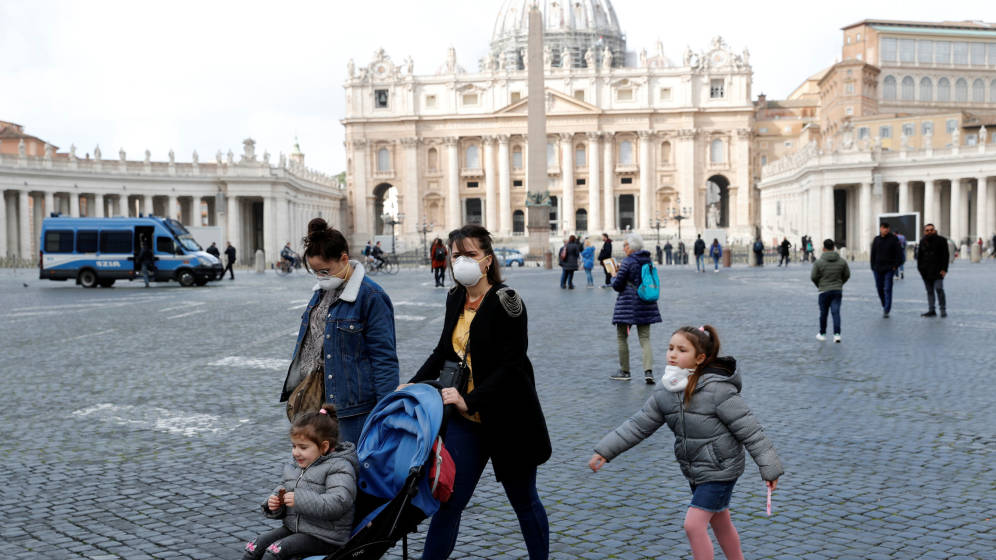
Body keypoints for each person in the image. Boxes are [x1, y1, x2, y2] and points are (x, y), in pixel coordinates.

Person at [402, 224, 551, 560]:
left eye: (469, 254)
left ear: (487, 259)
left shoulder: (506, 300)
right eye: (456, 255)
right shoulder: (456, 296)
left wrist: (470, 398)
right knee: (449, 501)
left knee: (524, 501)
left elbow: (512, 367)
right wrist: (411, 384)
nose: (461, 261)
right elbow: (444, 352)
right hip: (467, 422)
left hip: (509, 418)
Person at [589, 325, 783, 560]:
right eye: (670, 348)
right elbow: (639, 425)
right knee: (720, 520)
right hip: (695, 469)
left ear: (699, 358)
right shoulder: (666, 389)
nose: (672, 354)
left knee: (693, 525)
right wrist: (606, 450)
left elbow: (750, 430)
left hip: (721, 470)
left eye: (681, 350)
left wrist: (770, 467)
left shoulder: (717, 390)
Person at [280, 218, 400, 444]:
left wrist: (386, 412)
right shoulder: (322, 292)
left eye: (325, 270)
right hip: (315, 403)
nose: (321, 278)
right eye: (316, 272)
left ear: (344, 259)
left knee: (350, 472)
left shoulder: (371, 297)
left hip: (354, 409)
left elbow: (384, 359)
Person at [242, 407, 357, 560]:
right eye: (294, 446)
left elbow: (338, 503)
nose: (295, 452)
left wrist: (299, 499)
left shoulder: (339, 467)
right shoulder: (296, 465)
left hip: (325, 536)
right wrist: (275, 504)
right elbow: (284, 488)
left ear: (324, 447)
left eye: (303, 447)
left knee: (275, 552)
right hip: (294, 528)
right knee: (254, 547)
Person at [609, 233, 662, 384]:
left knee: (622, 337)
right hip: (645, 303)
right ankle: (648, 371)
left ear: (631, 247)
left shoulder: (627, 262)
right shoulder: (648, 260)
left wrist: (614, 274)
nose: (623, 248)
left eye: (625, 245)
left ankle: (625, 371)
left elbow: (617, 285)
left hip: (627, 304)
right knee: (645, 338)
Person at [811, 239, 850, 343]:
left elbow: (813, 276)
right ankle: (837, 335)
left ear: (823, 249)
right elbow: (847, 275)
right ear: (834, 248)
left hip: (824, 291)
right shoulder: (842, 261)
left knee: (823, 313)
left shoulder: (818, 262)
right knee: (836, 312)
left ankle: (822, 334)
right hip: (837, 290)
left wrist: (819, 285)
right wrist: (840, 283)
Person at [870, 222, 903, 318]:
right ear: (880, 228)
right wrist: (872, 266)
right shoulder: (876, 239)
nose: (886, 230)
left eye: (887, 228)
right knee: (879, 288)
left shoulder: (893, 239)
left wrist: (895, 266)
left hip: (889, 268)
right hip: (877, 268)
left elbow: (899, 254)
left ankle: (887, 309)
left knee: (887, 288)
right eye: (884, 228)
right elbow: (873, 254)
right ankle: (885, 304)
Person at [917, 223, 949, 318]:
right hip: (925, 271)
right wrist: (920, 269)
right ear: (924, 231)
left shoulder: (942, 240)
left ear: (934, 230)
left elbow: (945, 256)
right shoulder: (922, 241)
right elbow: (919, 257)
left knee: (939, 289)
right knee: (929, 291)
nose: (929, 232)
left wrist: (944, 269)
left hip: (938, 271)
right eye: (927, 230)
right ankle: (931, 310)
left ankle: (942, 309)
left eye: (931, 230)